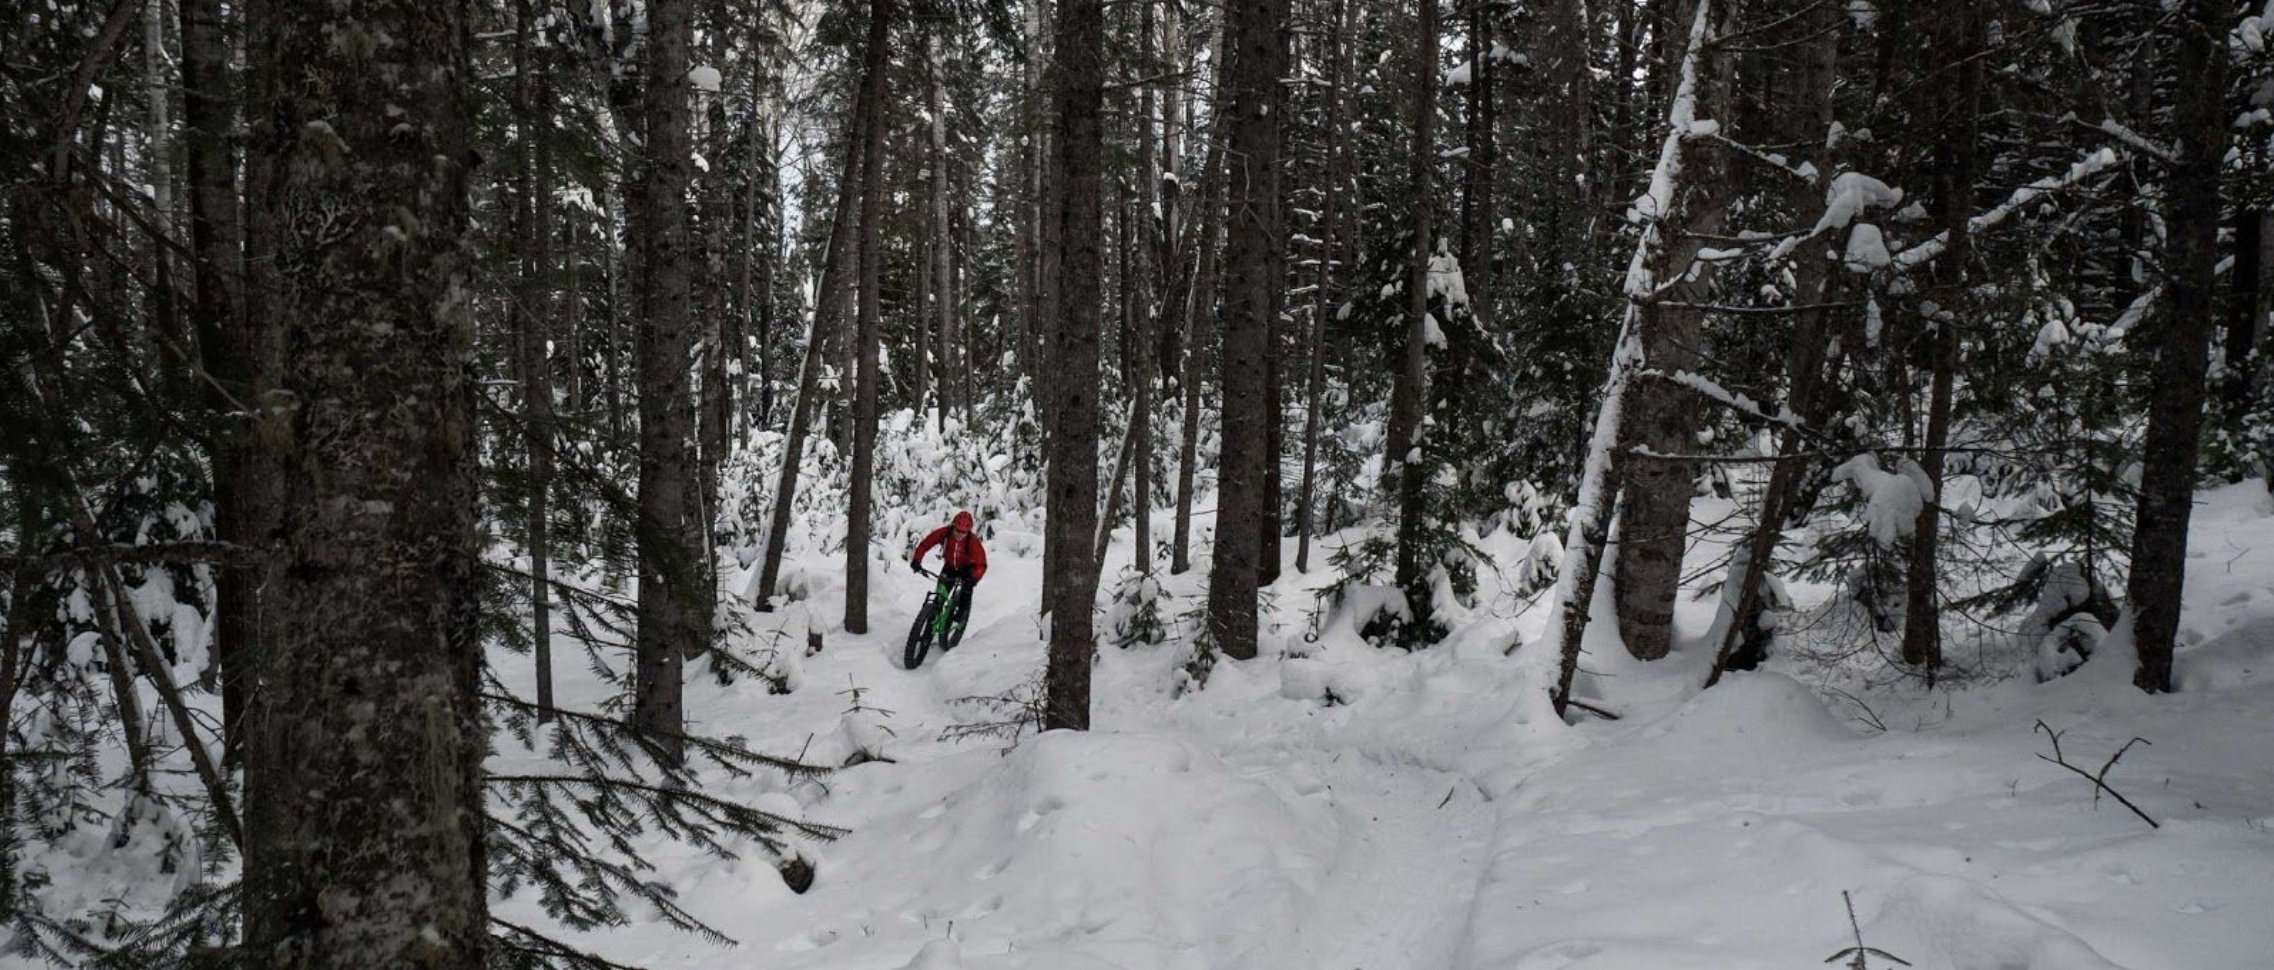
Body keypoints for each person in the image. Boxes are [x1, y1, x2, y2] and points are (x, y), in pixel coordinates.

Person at [911, 510, 988, 649]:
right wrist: (917, 559)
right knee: (939, 597)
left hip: (967, 569)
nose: (959, 534)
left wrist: (974, 578)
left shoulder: (973, 542)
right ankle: (931, 621)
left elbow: (981, 564)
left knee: (966, 591)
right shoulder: (945, 533)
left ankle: (960, 618)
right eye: (957, 530)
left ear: (968, 531)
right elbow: (925, 544)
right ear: (953, 526)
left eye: (963, 532)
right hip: (950, 567)